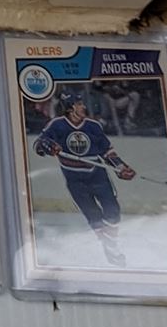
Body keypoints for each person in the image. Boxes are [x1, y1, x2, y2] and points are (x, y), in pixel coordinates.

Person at [34, 92, 135, 265]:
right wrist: (48, 146)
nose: (83, 107)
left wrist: (120, 167)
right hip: (75, 181)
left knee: (113, 212)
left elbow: (107, 151)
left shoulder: (93, 126)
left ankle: (110, 244)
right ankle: (110, 249)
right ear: (70, 108)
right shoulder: (57, 125)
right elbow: (38, 145)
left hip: (98, 176)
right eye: (79, 104)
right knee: (94, 217)